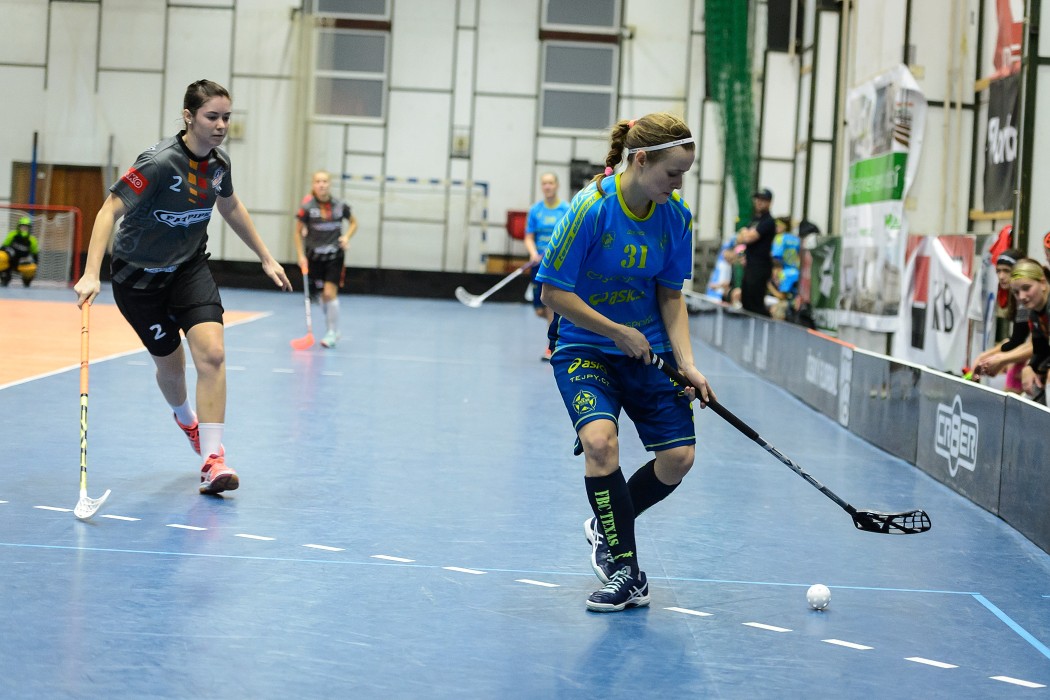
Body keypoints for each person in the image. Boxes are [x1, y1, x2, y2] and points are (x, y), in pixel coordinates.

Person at [73, 79, 292, 495]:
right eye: (213, 116)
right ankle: (185, 417)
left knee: (212, 353)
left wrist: (265, 255)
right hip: (138, 280)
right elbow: (108, 211)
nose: (221, 125)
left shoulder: (220, 165)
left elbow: (229, 205)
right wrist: (90, 272)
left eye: (227, 117)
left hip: (189, 270)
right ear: (189, 117)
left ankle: (213, 461)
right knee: (171, 368)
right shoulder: (157, 163)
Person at [536, 113, 714, 613]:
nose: (678, 184)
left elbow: (670, 295)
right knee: (600, 443)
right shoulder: (590, 209)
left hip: (648, 351)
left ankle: (609, 518)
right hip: (585, 346)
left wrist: (688, 364)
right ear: (641, 159)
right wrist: (616, 331)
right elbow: (553, 292)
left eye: (683, 174)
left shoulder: (674, 216)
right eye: (672, 173)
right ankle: (625, 570)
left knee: (678, 459)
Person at [294, 170, 358, 348]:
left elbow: (354, 222)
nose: (322, 184)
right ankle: (333, 328)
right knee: (323, 298)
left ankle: (331, 332)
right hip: (314, 258)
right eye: (318, 181)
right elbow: (297, 232)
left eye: (325, 181)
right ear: (313, 185)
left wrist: (346, 238)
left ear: (329, 184)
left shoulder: (339, 205)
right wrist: (300, 256)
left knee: (330, 293)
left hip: (334, 256)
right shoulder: (307, 208)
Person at [523, 172, 570, 360]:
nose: (547, 186)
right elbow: (528, 237)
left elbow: (570, 236)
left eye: (550, 183)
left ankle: (552, 347)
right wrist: (533, 253)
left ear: (557, 185)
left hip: (556, 265)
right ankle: (565, 324)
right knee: (540, 309)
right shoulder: (535, 210)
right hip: (538, 264)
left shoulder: (566, 209)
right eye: (544, 183)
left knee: (551, 305)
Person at [972, 248, 1030, 392]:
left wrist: (992, 357)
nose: (1001, 276)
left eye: (1006, 271)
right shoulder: (1017, 298)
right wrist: (989, 356)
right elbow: (1017, 339)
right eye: (998, 271)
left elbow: (1018, 341)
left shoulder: (1024, 300)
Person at [1009, 258, 1050, 404]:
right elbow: (1040, 350)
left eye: (1026, 288)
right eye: (1016, 292)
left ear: (1043, 283)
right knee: (1032, 379)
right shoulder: (1034, 314)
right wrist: (1030, 367)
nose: (1021, 297)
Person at [735, 188, 777, 316]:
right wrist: (745, 233)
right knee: (746, 300)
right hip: (750, 266)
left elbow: (747, 237)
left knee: (755, 303)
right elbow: (740, 238)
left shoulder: (768, 221)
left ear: (769, 202)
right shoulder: (755, 220)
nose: (759, 202)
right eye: (758, 199)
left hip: (760, 267)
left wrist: (745, 233)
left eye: (763, 200)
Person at [766, 216, 801, 320]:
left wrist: (768, 283)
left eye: (777, 226)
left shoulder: (780, 238)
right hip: (796, 270)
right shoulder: (796, 239)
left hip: (786, 273)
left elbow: (775, 256)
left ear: (783, 226)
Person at [0, 216, 39, 287]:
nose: (24, 229)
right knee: (1, 256)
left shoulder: (32, 240)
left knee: (32, 267)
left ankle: (26, 280)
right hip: (10, 262)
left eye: (26, 228)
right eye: (22, 227)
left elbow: (35, 257)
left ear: (29, 229)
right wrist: (9, 252)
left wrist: (33, 269)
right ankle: (5, 275)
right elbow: (2, 248)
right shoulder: (12, 235)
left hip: (22, 263)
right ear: (18, 227)